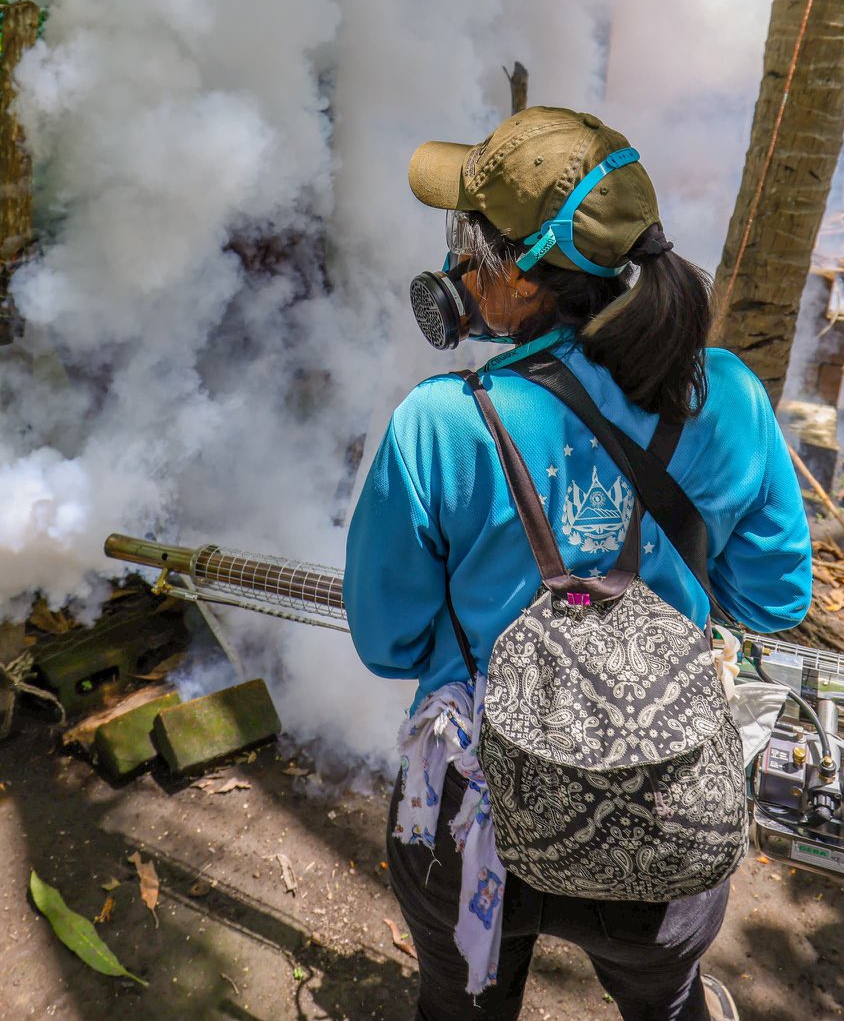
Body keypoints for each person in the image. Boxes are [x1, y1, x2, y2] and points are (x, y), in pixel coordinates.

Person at [343, 106, 813, 1021]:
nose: (459, 265)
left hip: (470, 818)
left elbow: (389, 642)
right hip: (667, 804)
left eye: (469, 243)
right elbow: (773, 597)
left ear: (519, 276)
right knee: (664, 1000)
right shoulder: (733, 399)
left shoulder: (439, 423)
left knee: (463, 1000)